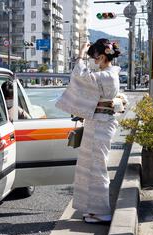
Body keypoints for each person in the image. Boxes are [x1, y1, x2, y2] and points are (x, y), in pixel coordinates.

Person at [56, 39, 122, 224]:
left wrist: (80, 54)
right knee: (90, 167)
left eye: (94, 57)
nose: (93, 60)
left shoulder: (105, 76)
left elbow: (80, 76)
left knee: (97, 167)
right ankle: (92, 209)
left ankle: (101, 211)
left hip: (100, 124)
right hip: (99, 123)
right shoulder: (108, 74)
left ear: (102, 56)